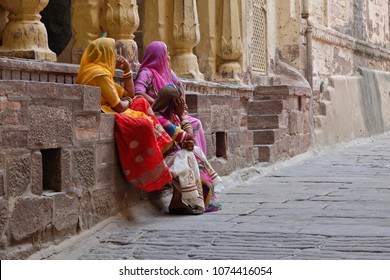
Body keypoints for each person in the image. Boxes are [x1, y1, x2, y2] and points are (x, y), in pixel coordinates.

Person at [76, 37, 172, 192]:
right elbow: (120, 106)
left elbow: (130, 93)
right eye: (112, 51)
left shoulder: (101, 72)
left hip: (113, 108)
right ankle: (154, 168)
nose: (115, 55)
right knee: (145, 124)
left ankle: (162, 145)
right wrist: (127, 101)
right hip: (108, 112)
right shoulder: (98, 74)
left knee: (141, 102)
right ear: (104, 53)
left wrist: (127, 68)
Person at [152, 85, 223, 215]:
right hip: (158, 161)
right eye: (179, 101)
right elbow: (188, 135)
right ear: (171, 102)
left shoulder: (171, 117)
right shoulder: (159, 118)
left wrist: (188, 143)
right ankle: (177, 202)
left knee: (195, 151)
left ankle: (187, 199)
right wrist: (182, 116)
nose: (182, 104)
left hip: (170, 156)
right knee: (186, 157)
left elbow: (187, 140)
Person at [134, 41, 208, 155]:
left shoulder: (169, 73)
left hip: (173, 114)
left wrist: (181, 105)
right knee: (187, 130)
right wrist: (161, 103)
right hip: (156, 113)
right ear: (158, 55)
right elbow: (138, 93)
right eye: (166, 53)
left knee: (196, 124)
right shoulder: (146, 73)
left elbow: (179, 88)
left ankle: (199, 161)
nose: (168, 57)